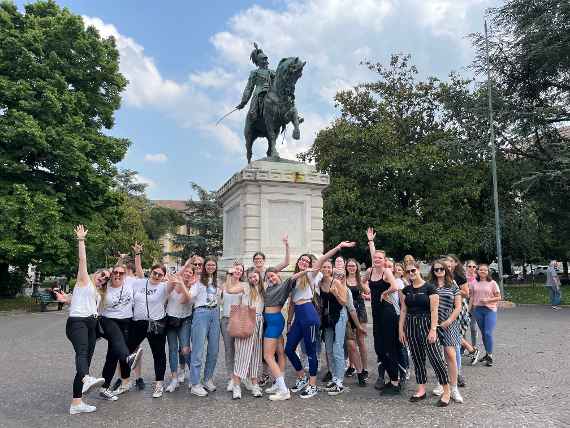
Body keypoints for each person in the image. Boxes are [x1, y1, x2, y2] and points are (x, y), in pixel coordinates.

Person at [286, 241, 355, 399]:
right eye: (301, 260)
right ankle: (302, 377)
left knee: (311, 351)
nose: (304, 262)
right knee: (289, 348)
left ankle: (312, 385)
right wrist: (289, 322)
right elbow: (291, 303)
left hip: (309, 315)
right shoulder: (294, 278)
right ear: (298, 262)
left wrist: (338, 248)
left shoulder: (311, 274)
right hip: (298, 315)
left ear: (310, 264)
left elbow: (323, 258)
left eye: (307, 261)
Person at [54, 225, 107, 415]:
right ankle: (86, 379)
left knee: (83, 362)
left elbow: (76, 299)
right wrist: (81, 240)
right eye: (102, 275)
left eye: (106, 279)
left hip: (92, 325)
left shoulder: (95, 292)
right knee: (82, 354)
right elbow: (82, 260)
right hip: (78, 323)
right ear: (95, 274)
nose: (103, 279)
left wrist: (65, 299)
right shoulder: (84, 280)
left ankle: (77, 403)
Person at [399, 261, 451, 406]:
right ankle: (421, 389)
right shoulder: (406, 290)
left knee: (435, 359)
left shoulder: (430, 288)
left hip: (426, 325)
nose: (411, 274)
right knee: (417, 358)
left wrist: (433, 329)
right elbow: (403, 310)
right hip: (411, 326)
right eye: (408, 272)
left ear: (418, 270)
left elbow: (434, 310)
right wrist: (401, 329)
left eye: (413, 270)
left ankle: (446, 391)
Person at [124, 261, 174, 398]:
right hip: (138, 323)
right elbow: (136, 271)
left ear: (163, 276)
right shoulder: (140, 282)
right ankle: (124, 380)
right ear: (150, 272)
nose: (156, 276)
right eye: (155, 273)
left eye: (160, 274)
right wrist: (137, 256)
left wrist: (186, 265)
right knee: (126, 351)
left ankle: (159, 384)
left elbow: (175, 282)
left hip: (156, 324)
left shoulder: (164, 286)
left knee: (158, 354)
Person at [363, 227, 401, 395]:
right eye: (375, 257)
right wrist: (368, 291)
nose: (377, 259)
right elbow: (362, 282)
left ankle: (395, 382)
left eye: (380, 258)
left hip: (388, 312)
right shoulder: (370, 271)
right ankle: (392, 377)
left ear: (385, 261)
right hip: (376, 313)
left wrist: (384, 293)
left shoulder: (386, 271)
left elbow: (394, 287)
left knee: (390, 347)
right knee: (379, 348)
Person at [98, 263, 142, 400]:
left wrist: (137, 256)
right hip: (109, 321)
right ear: (111, 274)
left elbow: (141, 276)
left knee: (112, 356)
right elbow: (91, 284)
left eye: (121, 273)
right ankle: (128, 358)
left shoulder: (130, 283)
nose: (118, 275)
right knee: (119, 349)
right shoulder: (105, 287)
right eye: (115, 272)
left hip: (126, 322)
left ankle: (104, 388)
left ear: (125, 275)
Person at [224, 269, 266, 399]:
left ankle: (254, 384)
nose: (253, 279)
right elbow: (230, 289)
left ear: (259, 276)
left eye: (255, 276)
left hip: (259, 323)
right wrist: (231, 274)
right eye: (250, 277)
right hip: (246, 321)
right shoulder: (245, 286)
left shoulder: (263, 287)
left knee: (255, 356)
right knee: (242, 354)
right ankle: (237, 385)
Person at [430, 260, 464, 403]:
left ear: (446, 270)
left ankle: (454, 387)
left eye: (441, 269)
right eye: (436, 269)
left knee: (450, 355)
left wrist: (449, 321)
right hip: (434, 324)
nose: (439, 272)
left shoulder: (453, 285)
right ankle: (441, 383)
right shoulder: (430, 286)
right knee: (438, 357)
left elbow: (458, 307)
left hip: (450, 323)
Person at [189, 257, 221, 396]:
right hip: (201, 312)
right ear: (204, 267)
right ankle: (195, 383)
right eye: (208, 264)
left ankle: (207, 378)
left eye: (213, 265)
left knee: (214, 349)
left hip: (215, 313)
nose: (210, 267)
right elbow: (190, 296)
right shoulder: (197, 281)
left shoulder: (217, 282)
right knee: (198, 349)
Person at [446, 254, 476, 386]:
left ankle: (458, 373)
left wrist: (454, 290)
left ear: (456, 263)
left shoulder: (459, 276)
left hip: (458, 308)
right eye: (447, 262)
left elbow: (466, 293)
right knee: (448, 344)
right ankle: (451, 372)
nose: (449, 264)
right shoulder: (439, 276)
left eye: (451, 262)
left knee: (456, 342)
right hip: (444, 309)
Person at [164, 268, 194, 392]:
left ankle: (193, 376)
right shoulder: (171, 283)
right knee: (172, 349)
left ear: (192, 276)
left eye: (190, 272)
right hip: (171, 319)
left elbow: (186, 300)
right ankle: (174, 378)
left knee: (185, 349)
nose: (187, 273)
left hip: (185, 320)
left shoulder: (193, 287)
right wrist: (177, 280)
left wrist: (182, 283)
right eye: (185, 271)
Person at [321, 268, 349, 395]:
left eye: (328, 267)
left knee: (338, 347)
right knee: (328, 349)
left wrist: (336, 293)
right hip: (327, 318)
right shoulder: (320, 283)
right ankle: (334, 377)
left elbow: (344, 302)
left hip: (339, 315)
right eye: (324, 267)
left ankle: (340, 382)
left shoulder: (336, 282)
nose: (326, 269)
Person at [470, 264, 501, 367]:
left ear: (488, 272)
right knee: (483, 333)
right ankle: (487, 354)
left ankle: (490, 355)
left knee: (488, 332)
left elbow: (498, 297)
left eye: (485, 270)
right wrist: (469, 309)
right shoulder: (474, 282)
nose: (482, 271)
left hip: (490, 310)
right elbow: (471, 297)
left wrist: (488, 300)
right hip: (477, 310)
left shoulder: (492, 283)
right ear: (477, 271)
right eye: (480, 270)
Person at [220, 262, 245, 394]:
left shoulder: (242, 286)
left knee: (239, 350)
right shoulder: (223, 285)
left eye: (240, 270)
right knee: (229, 350)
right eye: (236, 269)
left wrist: (230, 274)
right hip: (225, 319)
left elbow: (230, 290)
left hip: (238, 320)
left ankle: (239, 376)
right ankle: (231, 377)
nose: (238, 271)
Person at [345, 258, 368, 383]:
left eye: (353, 266)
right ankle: (352, 365)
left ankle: (364, 368)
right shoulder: (344, 279)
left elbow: (369, 291)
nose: (351, 268)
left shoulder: (360, 280)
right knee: (350, 341)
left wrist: (366, 294)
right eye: (349, 266)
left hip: (360, 311)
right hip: (348, 312)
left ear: (357, 267)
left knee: (361, 340)